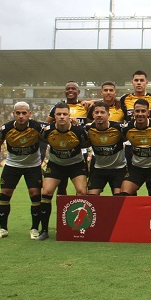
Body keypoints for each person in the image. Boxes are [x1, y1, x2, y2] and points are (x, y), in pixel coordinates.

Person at [0, 102, 45, 239]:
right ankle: (3, 229)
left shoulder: (37, 127)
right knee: (5, 193)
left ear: (29, 114)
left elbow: (50, 138)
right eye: (18, 113)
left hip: (32, 166)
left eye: (24, 113)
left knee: (35, 194)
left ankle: (34, 229)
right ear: (13, 114)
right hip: (12, 165)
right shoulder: (6, 128)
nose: (21, 116)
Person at [38, 102, 89, 241]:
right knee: (46, 192)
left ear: (69, 115)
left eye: (64, 114)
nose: (62, 116)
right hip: (56, 165)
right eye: (59, 114)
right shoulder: (47, 130)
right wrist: (40, 161)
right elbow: (42, 142)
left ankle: (80, 228)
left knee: (82, 192)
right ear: (54, 116)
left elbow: (86, 143)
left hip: (75, 165)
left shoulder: (78, 130)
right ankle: (44, 230)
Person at [46, 81, 89, 195]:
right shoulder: (57, 107)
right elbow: (47, 125)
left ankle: (78, 204)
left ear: (78, 92)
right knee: (61, 187)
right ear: (65, 92)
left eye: (73, 88)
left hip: (80, 151)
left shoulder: (85, 106)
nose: (70, 90)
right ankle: (61, 206)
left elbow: (90, 125)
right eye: (68, 88)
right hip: (61, 149)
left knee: (81, 189)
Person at [120, 99, 151, 196]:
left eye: (143, 111)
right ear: (133, 113)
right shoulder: (127, 128)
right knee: (123, 195)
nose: (140, 114)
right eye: (137, 111)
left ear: (148, 113)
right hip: (137, 168)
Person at [85, 101, 127, 195]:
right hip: (99, 169)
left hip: (118, 169)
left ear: (108, 114)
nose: (99, 115)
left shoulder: (118, 128)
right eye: (97, 112)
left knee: (119, 198)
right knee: (91, 198)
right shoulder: (88, 129)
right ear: (93, 115)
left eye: (102, 112)